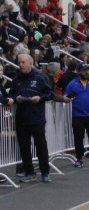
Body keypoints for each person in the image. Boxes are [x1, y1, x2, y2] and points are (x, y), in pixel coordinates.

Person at [8, 52, 53, 182]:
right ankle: (29, 172)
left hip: (36, 117)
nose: (20, 65)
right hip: (21, 118)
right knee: (24, 147)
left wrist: (40, 98)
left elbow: (50, 93)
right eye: (19, 62)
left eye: (23, 62)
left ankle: (45, 172)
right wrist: (15, 98)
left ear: (30, 63)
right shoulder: (16, 79)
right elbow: (11, 94)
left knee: (41, 145)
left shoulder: (40, 77)